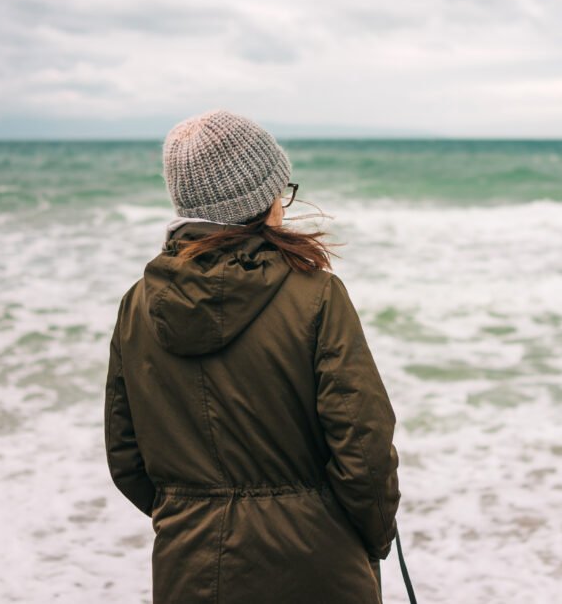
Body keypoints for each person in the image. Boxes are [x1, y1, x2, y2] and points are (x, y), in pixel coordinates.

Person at [104, 109, 401, 603]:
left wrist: (189, 515)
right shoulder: (317, 293)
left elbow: (126, 455)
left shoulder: (139, 303)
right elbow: (363, 445)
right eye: (280, 190)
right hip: (318, 564)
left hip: (189, 566)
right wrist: (368, 538)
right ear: (260, 199)